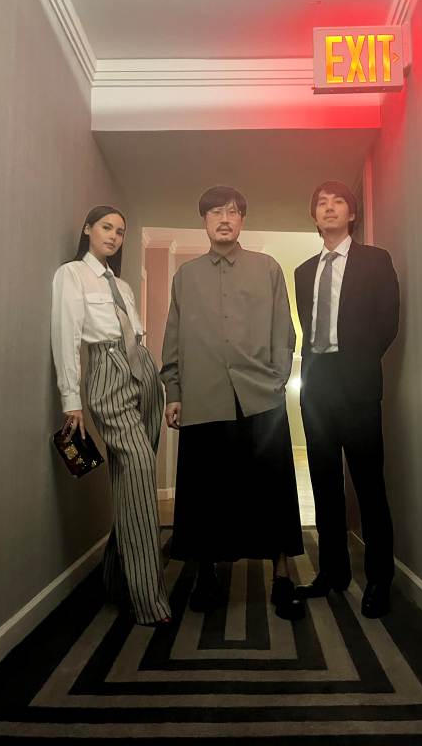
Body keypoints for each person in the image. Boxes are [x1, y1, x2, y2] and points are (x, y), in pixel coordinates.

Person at [161, 186, 304, 620]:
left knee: (273, 488)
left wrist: (277, 380)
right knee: (206, 491)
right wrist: (174, 391)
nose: (224, 219)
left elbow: (283, 329)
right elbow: (173, 336)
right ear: (204, 221)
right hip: (204, 397)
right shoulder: (185, 276)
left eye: (232, 212)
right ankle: (206, 572)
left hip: (260, 398)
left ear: (241, 220)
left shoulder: (267, 268)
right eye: (215, 213)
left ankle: (282, 574)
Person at [51, 205, 171, 626]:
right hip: (107, 370)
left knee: (133, 482)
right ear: (88, 228)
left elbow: (135, 332)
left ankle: (117, 578)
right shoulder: (71, 275)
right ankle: (148, 599)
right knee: (139, 469)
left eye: (120, 231)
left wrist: (154, 375)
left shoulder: (122, 285)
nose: (114, 236)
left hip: (145, 370)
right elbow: (66, 336)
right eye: (106, 227)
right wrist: (71, 400)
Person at [294, 181, 399, 618]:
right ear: (314, 216)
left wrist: (357, 364)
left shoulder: (375, 260)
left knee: (369, 486)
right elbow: (307, 327)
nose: (330, 208)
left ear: (351, 214)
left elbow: (388, 322)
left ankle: (379, 579)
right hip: (316, 387)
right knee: (323, 484)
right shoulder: (303, 272)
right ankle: (332, 572)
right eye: (322, 202)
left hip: (357, 386)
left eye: (338, 202)